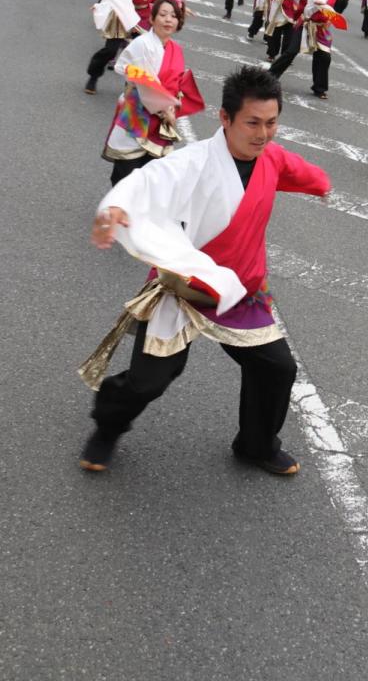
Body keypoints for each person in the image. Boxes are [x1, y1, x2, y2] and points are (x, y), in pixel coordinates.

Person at [78, 66, 330, 476]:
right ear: (225, 118)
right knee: (151, 380)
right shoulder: (194, 163)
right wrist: (119, 205)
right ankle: (107, 425)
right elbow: (150, 179)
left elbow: (295, 170)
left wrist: (320, 183)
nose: (263, 134)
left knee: (276, 367)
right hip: (185, 287)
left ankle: (256, 444)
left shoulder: (271, 158)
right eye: (252, 123)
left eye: (271, 123)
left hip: (240, 293)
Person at [102, 0, 203, 185]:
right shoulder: (143, 44)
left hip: (160, 115)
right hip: (139, 112)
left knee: (150, 173)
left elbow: (176, 82)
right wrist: (167, 110)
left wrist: (172, 107)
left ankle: (135, 210)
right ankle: (118, 207)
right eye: (163, 14)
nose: (168, 20)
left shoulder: (175, 48)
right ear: (152, 18)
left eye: (173, 16)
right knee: (127, 170)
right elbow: (148, 83)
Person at [80, 0, 174, 94]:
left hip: (143, 15)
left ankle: (132, 86)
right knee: (111, 50)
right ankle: (93, 75)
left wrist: (178, 4)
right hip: (123, 12)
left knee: (142, 51)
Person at [269, 0, 343, 99]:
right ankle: (270, 76)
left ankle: (319, 87)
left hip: (321, 26)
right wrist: (321, 3)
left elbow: (336, 7)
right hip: (307, 23)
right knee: (291, 51)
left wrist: (330, 19)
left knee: (324, 56)